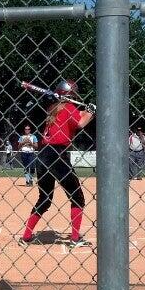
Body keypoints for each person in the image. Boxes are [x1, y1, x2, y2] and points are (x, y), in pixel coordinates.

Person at [20, 80, 95, 248]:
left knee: (45, 199)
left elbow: (78, 114)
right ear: (70, 95)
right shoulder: (68, 109)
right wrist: (92, 112)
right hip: (58, 156)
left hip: (43, 156)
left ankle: (26, 236)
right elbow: (81, 122)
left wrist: (88, 110)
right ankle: (75, 239)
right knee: (77, 197)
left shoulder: (54, 109)